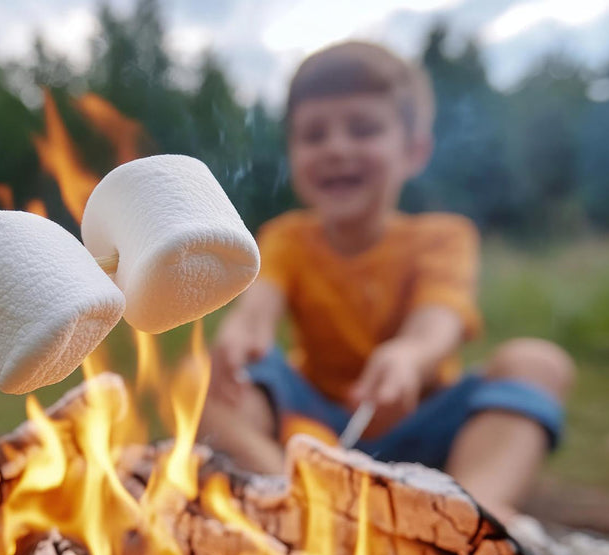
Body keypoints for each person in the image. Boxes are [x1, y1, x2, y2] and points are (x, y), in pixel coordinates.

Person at [199, 42, 574, 524]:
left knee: (537, 362)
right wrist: (241, 338)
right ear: (293, 154)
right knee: (212, 376)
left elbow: (440, 318)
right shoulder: (285, 238)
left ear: (414, 151)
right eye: (314, 135)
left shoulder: (443, 236)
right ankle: (296, 504)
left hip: (423, 425)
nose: (336, 148)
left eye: (364, 129)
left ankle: (473, 518)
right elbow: (258, 309)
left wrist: (410, 356)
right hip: (311, 427)